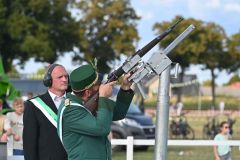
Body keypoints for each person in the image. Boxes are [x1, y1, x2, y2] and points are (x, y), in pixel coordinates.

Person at [57, 64, 134, 160]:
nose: (102, 87)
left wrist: (125, 88)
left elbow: (118, 113)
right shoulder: (70, 109)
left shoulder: (89, 103)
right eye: (98, 86)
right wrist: (104, 97)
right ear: (88, 93)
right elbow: (101, 129)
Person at [23, 64, 68, 160]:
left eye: (66, 76)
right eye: (60, 77)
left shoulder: (76, 102)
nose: (64, 79)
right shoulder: (33, 105)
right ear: (48, 80)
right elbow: (29, 144)